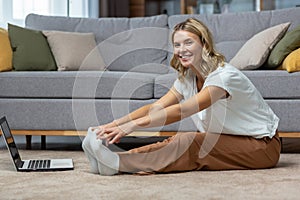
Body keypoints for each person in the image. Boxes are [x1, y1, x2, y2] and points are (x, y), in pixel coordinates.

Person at [82, 18, 281, 176]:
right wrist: (114, 124)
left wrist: (131, 127)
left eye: (188, 42)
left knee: (190, 143)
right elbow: (156, 107)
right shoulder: (188, 77)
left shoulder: (224, 76)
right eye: (177, 45)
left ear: (204, 44)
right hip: (227, 139)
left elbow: (183, 110)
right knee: (181, 142)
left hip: (261, 146)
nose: (181, 50)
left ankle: (117, 164)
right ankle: (111, 161)